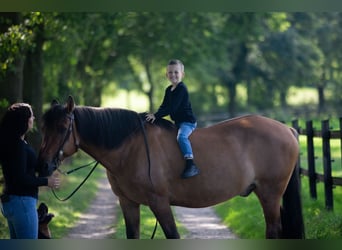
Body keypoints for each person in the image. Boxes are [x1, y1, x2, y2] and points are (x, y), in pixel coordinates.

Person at [0, 103, 60, 239]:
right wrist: (46, 181)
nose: (33, 118)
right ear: (25, 121)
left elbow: (26, 168)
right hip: (22, 203)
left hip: (12, 202)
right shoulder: (19, 146)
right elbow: (20, 178)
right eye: (31, 116)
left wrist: (51, 163)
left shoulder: (14, 143)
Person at [146, 59, 200, 179]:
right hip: (178, 122)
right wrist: (154, 116)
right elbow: (164, 106)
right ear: (166, 75)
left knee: (181, 137)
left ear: (182, 74)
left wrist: (156, 116)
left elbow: (172, 108)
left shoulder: (182, 89)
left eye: (176, 72)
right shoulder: (168, 90)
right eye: (170, 72)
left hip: (187, 122)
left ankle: (191, 163)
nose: (173, 75)